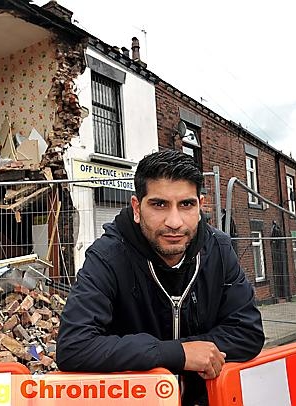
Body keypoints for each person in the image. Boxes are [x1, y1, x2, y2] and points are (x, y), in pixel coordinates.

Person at [56, 149, 264, 405]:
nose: (174, 221)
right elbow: (74, 347)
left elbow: (248, 333)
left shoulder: (219, 250)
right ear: (136, 207)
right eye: (159, 204)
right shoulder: (107, 257)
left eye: (186, 204)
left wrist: (180, 352)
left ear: (199, 206)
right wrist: (177, 353)